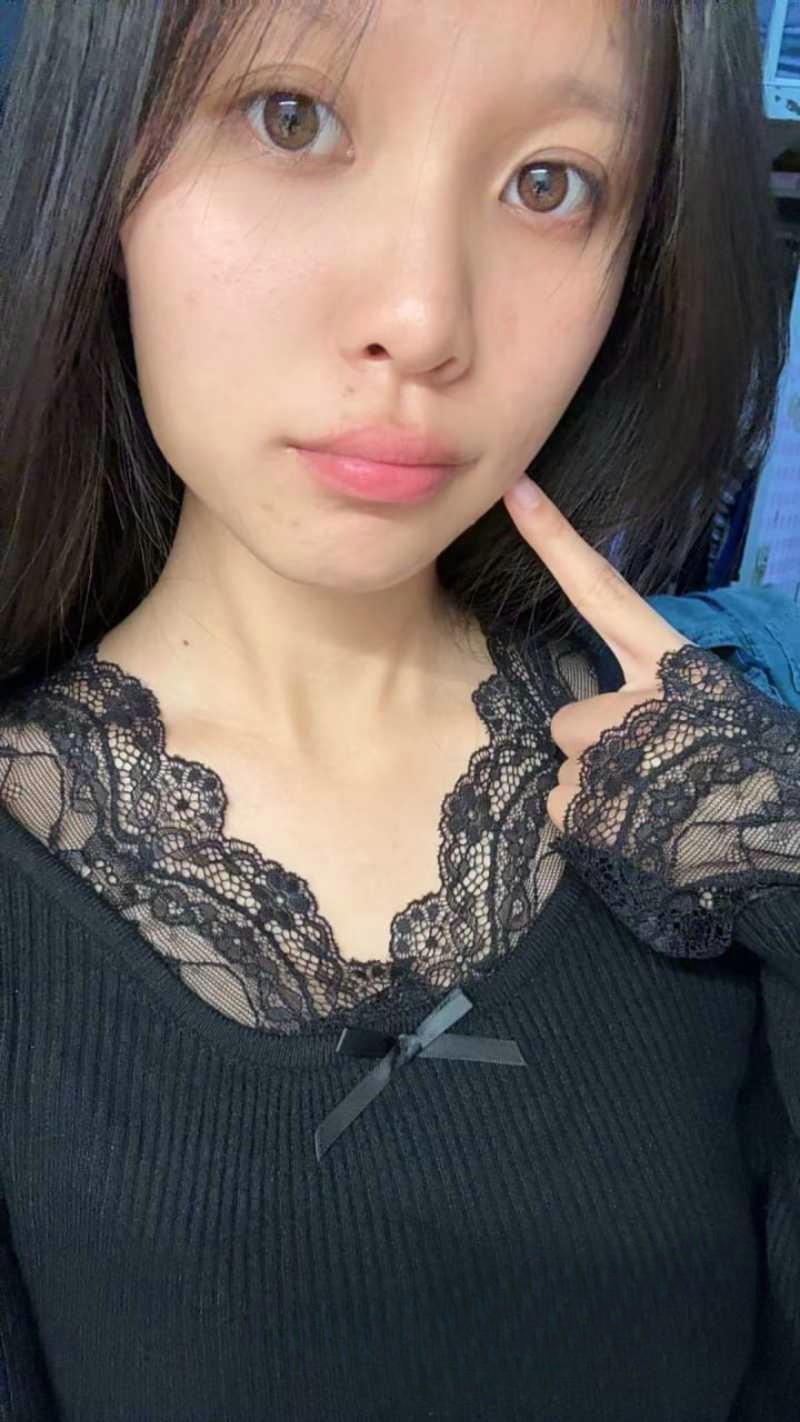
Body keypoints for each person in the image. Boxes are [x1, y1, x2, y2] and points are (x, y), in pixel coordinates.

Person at [0, 0, 798, 1417]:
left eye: (549, 182)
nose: (424, 321)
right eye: (291, 118)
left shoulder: (723, 795)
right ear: (103, 149)